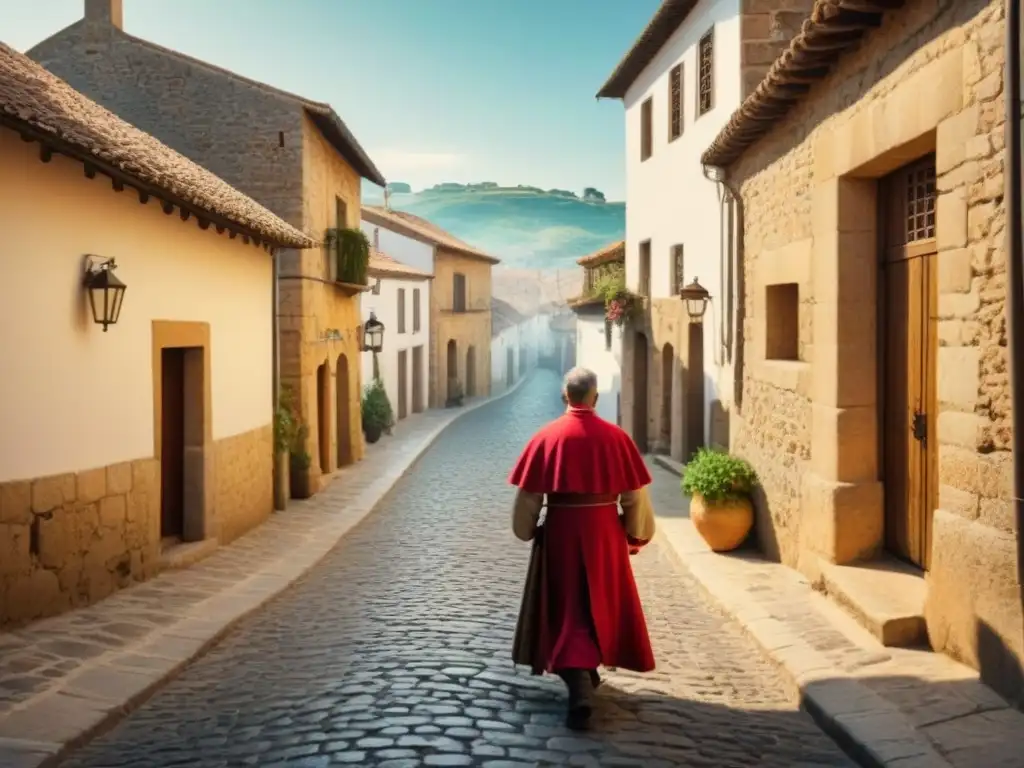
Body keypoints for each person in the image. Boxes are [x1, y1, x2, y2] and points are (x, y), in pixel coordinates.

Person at [508, 367, 656, 730]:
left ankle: (578, 679)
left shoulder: (546, 437)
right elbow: (634, 496)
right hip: (603, 533)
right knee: (597, 603)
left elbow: (529, 497)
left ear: (565, 397)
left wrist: (527, 531)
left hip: (560, 532)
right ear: (596, 398)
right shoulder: (617, 438)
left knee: (568, 605)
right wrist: (636, 533)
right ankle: (582, 677)